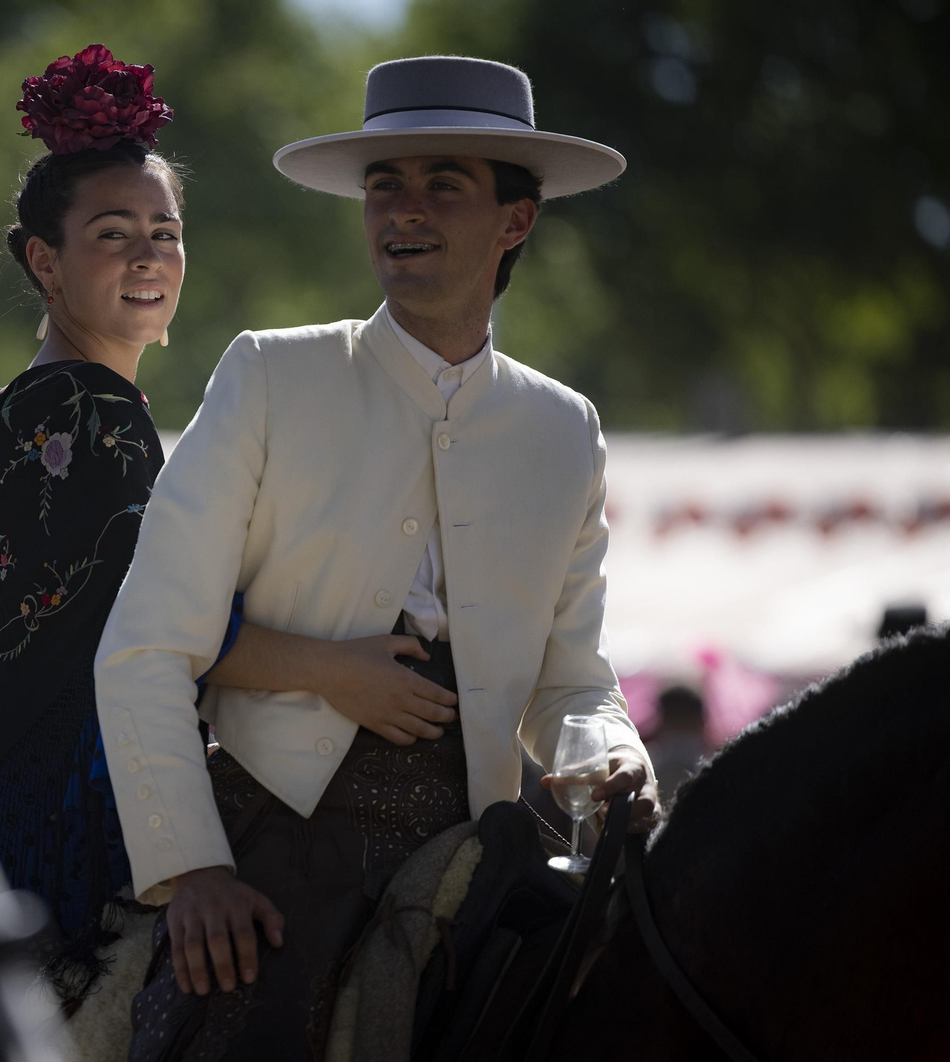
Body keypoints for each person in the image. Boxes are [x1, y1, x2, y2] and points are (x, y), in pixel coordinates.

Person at [94, 56, 661, 1058]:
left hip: (478, 848)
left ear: (514, 221)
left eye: (442, 183)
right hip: (274, 837)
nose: (404, 209)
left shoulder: (564, 428)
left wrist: (605, 759)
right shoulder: (270, 373)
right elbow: (146, 643)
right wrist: (193, 874)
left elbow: (567, 683)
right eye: (384, 185)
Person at [0, 45, 434, 1015]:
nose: (149, 255)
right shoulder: (92, 415)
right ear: (44, 260)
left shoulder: (5, 408)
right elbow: (157, 628)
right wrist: (341, 670)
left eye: (165, 230)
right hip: (75, 815)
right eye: (112, 234)